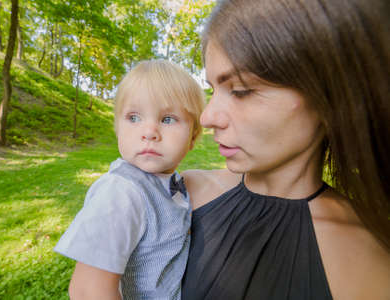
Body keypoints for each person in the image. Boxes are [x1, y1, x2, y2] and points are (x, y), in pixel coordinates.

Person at [181, 0, 390, 299]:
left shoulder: (372, 259)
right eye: (213, 89)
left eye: (240, 91)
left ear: (328, 96)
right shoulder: (182, 197)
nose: (207, 117)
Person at [54, 59, 205, 300]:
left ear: (193, 136)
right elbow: (88, 291)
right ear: (117, 129)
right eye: (134, 117)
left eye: (167, 119)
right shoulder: (121, 193)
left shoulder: (171, 185)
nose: (149, 132)